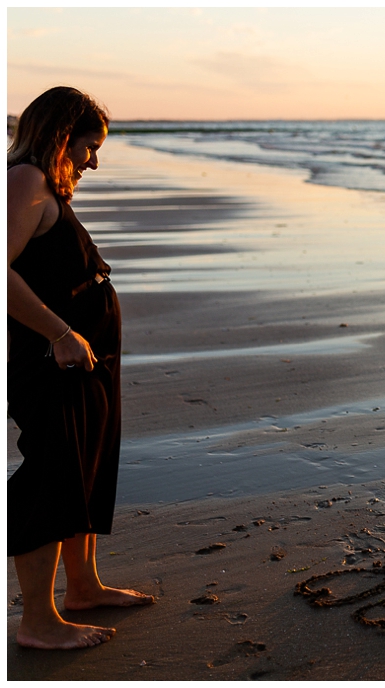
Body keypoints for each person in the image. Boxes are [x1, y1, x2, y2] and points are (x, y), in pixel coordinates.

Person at [8, 87, 154, 650]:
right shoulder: (24, 180)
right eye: (89, 146)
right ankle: (37, 622)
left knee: (85, 464)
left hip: (82, 354)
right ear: (61, 136)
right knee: (51, 473)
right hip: (53, 357)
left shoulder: (45, 186)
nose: (94, 160)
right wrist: (61, 333)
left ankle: (84, 588)